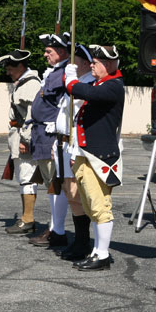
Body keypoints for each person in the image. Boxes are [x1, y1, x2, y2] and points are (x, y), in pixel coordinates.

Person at [64, 44, 125, 271]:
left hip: (99, 156)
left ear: (108, 64)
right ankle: (97, 251)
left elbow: (84, 92)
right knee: (90, 206)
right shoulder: (102, 83)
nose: (91, 65)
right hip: (86, 153)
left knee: (100, 206)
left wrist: (71, 81)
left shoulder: (113, 86)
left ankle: (102, 254)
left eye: (96, 62)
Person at [25, 33, 72, 245]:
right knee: (50, 184)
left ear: (62, 52)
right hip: (42, 134)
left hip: (52, 136)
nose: (44, 54)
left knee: (55, 184)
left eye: (48, 51)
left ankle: (56, 230)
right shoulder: (55, 72)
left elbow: (67, 103)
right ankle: (54, 229)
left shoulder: (65, 73)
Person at [53, 44, 96, 261]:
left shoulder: (86, 84)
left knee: (78, 194)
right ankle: (79, 240)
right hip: (63, 143)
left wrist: (72, 80)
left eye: (75, 60)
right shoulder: (77, 82)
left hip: (75, 145)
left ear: (87, 64)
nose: (71, 64)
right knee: (70, 194)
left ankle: (83, 242)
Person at [0, 49, 42, 234]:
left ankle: (28, 219)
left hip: (24, 138)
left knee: (27, 178)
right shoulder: (23, 82)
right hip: (19, 135)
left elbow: (33, 114)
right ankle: (26, 218)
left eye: (10, 68)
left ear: (20, 66)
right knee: (24, 178)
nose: (7, 71)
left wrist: (25, 139)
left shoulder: (31, 84)